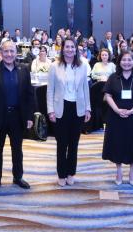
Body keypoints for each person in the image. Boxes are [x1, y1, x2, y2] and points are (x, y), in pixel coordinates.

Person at [0, 40, 34, 193]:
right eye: (6, 51)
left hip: (18, 117)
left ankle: (18, 177)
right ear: (1, 53)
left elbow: (29, 95)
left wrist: (29, 116)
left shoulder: (24, 69)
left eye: (12, 51)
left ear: (16, 52)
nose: (9, 54)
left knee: (17, 150)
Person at [47, 39, 91, 187]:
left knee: (74, 144)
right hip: (61, 108)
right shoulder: (54, 66)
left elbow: (85, 88)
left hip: (77, 108)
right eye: (67, 47)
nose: (70, 49)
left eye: (72, 47)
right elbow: (50, 90)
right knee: (62, 143)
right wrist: (50, 110)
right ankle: (61, 173)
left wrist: (88, 108)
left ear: (76, 49)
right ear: (63, 48)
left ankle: (71, 172)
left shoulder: (82, 66)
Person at [102, 51, 133, 185]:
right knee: (118, 143)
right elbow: (108, 96)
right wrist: (117, 110)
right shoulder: (113, 77)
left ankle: (132, 170)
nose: (126, 62)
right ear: (119, 62)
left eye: (129, 60)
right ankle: (118, 170)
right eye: (124, 60)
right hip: (116, 117)